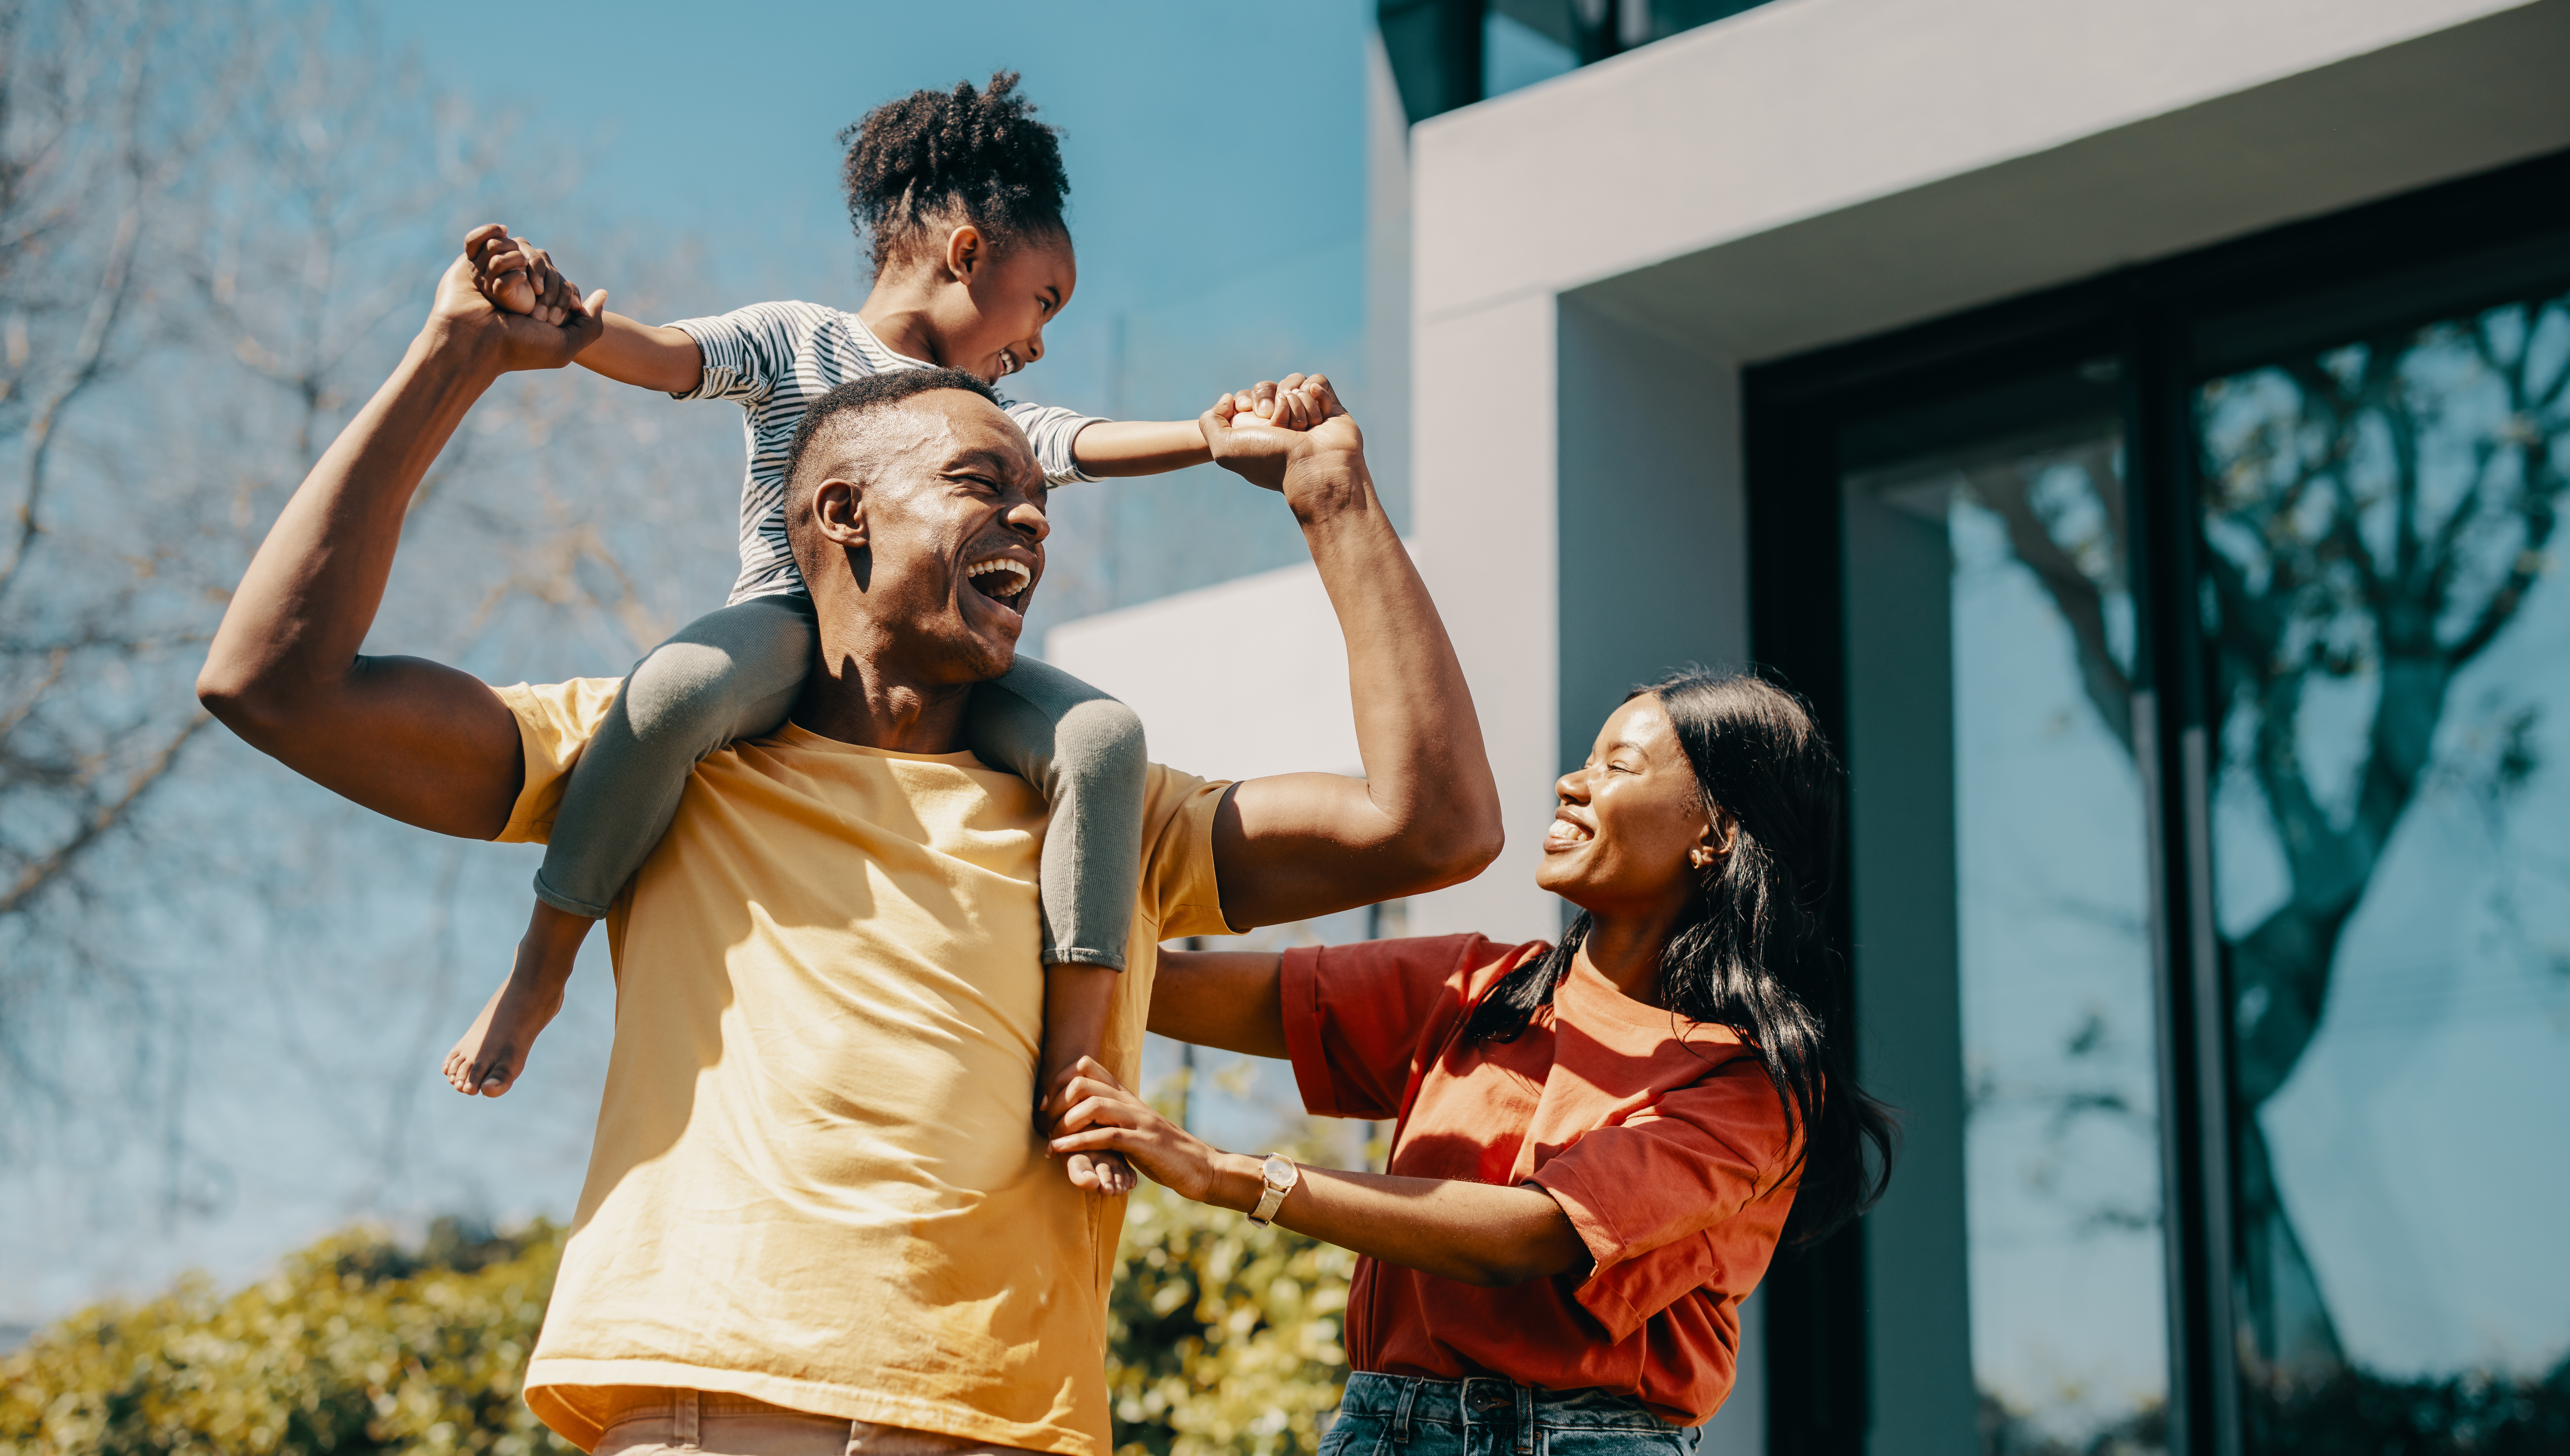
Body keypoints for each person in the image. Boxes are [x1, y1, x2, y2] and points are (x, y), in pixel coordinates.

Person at [195, 246, 1501, 1455]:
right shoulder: (664, 763)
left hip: (1011, 1425)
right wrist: (454, 359)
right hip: (715, 1402)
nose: (1034, 526)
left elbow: (1431, 829)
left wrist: (1334, 502)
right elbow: (273, 687)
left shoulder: (1106, 815)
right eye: (983, 486)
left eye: (1042, 504)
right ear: (840, 514)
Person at [442, 75, 1255, 1198]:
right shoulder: (801, 341)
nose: (1041, 339)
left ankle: (1076, 1055)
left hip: (944, 661)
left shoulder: (984, 413)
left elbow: (1078, 440)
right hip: (797, 627)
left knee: (1104, 740)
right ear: (969, 253)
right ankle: (542, 964)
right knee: (673, 690)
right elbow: (672, 356)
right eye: (1045, 301)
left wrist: (1210, 435)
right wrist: (571, 325)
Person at [1047, 671, 1899, 1453]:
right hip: (1379, 1425)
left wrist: (1223, 1172)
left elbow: (1533, 1234)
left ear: (1714, 834)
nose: (1572, 784)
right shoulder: (1481, 988)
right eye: (1584, 760)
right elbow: (1158, 985)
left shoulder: (1747, 1085)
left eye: (1618, 766)